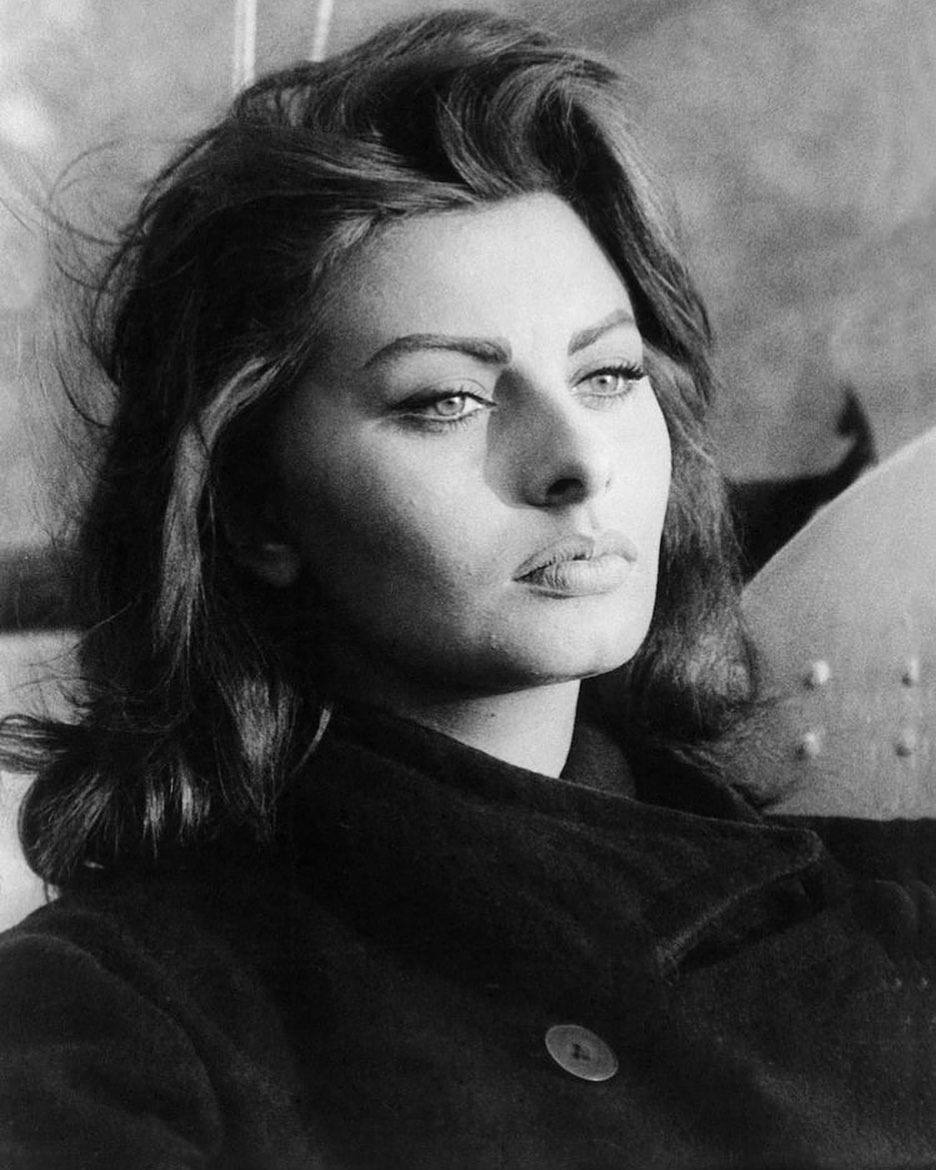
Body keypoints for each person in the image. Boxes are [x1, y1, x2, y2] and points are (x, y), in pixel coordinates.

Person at [0, 10, 934, 1168]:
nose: (577, 463)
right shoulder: (115, 1025)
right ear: (254, 511)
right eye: (448, 399)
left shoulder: (892, 917)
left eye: (607, 374)